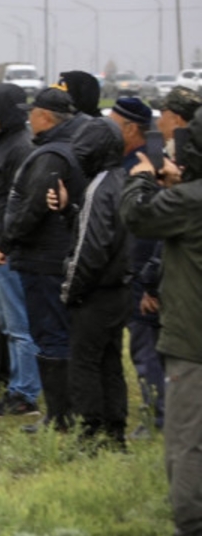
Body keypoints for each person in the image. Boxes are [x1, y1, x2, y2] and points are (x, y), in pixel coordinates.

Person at [121, 111, 202, 536]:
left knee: (186, 439)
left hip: (192, 341)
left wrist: (143, 176)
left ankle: (191, 531)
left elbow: (138, 216)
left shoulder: (189, 201)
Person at [0, 88, 88, 433]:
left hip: (44, 259)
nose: (27, 118)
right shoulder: (71, 148)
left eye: (32, 112)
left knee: (50, 335)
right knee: (59, 333)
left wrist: (8, 239)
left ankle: (59, 417)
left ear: (46, 117)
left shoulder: (51, 155)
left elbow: (32, 207)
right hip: (55, 257)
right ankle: (66, 413)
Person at [52, 116, 131, 448]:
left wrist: (70, 291)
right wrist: (71, 210)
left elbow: (91, 247)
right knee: (111, 360)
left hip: (95, 292)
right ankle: (115, 431)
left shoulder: (98, 188)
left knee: (84, 360)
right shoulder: (122, 180)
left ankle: (90, 430)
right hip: (121, 290)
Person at [0, 84, 43, 420]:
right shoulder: (3, 145)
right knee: (10, 325)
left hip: (8, 252)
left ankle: (26, 394)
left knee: (19, 326)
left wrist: (3, 243)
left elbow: (21, 203)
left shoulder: (19, 147)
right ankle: (17, 388)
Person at [111, 97, 166, 433]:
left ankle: (158, 418)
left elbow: (156, 229)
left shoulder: (146, 167)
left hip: (145, 274)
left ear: (131, 129)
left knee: (148, 351)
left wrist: (150, 283)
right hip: (136, 272)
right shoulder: (126, 163)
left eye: (114, 126)